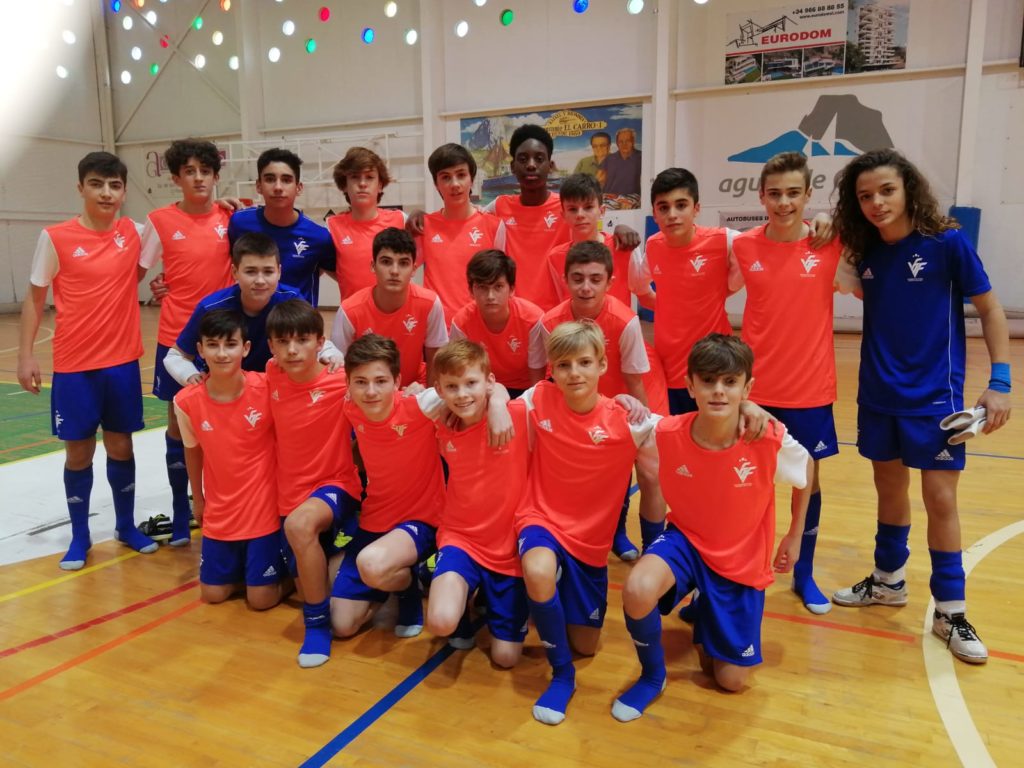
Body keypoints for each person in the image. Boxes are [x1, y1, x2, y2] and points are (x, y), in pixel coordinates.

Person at [829, 148, 1012, 664]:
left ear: (908, 188)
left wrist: (1000, 381)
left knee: (940, 499)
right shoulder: (863, 250)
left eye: (886, 190)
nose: (877, 202)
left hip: (937, 397)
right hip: (878, 394)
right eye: (865, 195)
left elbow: (991, 308)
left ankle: (950, 611)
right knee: (888, 487)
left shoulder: (947, 241)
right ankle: (888, 581)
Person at [612, 334, 812, 720]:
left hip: (742, 558)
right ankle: (653, 677)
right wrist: (623, 401)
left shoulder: (766, 436)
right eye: (707, 381)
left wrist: (794, 535)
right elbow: (608, 418)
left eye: (730, 382)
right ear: (690, 385)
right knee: (637, 589)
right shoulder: (667, 431)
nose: (718, 391)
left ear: (747, 388)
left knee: (731, 681)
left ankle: (706, 606)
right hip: (686, 541)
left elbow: (808, 470)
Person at [515, 321, 662, 726]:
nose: (574, 372)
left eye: (584, 362)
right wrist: (494, 401)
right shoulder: (537, 399)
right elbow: (492, 394)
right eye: (563, 364)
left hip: (590, 545)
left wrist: (654, 550)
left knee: (586, 645)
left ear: (601, 365)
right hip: (540, 518)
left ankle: (543, 600)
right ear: (551, 369)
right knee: (538, 568)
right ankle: (562, 675)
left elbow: (654, 482)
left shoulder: (630, 421)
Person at [17, 151, 158, 570]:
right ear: (81, 188)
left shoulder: (135, 232)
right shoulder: (55, 237)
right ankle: (80, 537)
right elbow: (35, 297)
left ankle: (126, 526)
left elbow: (181, 221)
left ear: (124, 190)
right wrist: (26, 355)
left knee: (120, 445)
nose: (106, 192)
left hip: (121, 364)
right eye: (97, 184)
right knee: (78, 453)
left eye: (115, 185)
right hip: (74, 366)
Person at [329, 334, 511, 640]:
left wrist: (500, 404)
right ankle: (403, 581)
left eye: (381, 381)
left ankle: (408, 591)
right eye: (360, 382)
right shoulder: (350, 406)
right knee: (342, 625)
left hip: (421, 520)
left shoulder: (423, 405)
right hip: (375, 519)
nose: (371, 391)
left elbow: (479, 386)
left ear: (398, 381)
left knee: (371, 565)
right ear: (348, 384)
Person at [731, 152, 844, 615]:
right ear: (761, 196)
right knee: (744, 483)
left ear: (808, 194)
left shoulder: (830, 244)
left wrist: (828, 220)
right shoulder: (742, 247)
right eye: (774, 193)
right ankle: (738, 571)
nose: (783, 202)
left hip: (810, 389)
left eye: (793, 193)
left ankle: (803, 573)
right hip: (755, 392)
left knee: (807, 484)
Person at [139, 138, 233, 546]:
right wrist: (156, 290)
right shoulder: (158, 221)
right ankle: (182, 512)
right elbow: (134, 274)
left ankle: (223, 505)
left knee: (226, 425)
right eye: (189, 171)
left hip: (225, 340)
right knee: (178, 428)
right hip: (176, 342)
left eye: (205, 171)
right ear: (176, 178)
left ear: (215, 176)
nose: (198, 178)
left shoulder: (233, 218)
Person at [542, 241, 657, 560]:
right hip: (571, 413)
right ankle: (578, 533)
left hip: (615, 410)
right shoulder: (549, 322)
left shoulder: (625, 321)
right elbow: (544, 381)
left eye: (595, 279)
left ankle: (626, 536)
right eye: (577, 278)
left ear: (611, 281)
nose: (586, 287)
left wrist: (643, 430)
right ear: (565, 280)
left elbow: (635, 379)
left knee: (631, 476)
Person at [265, 299, 362, 668]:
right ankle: (343, 557)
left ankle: (316, 626)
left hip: (335, 487)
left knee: (300, 525)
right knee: (309, 582)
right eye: (283, 341)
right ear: (271, 347)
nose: (293, 349)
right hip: (290, 495)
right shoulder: (272, 374)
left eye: (302, 340)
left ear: (320, 343)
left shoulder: (343, 381)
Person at [425, 340, 530, 667]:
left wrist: (499, 401)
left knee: (506, 659)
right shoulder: (440, 422)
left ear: (489, 381)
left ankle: (491, 592)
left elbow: (558, 397)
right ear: (440, 390)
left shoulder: (518, 415)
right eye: (452, 387)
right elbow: (400, 397)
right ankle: (459, 595)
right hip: (461, 538)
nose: (462, 394)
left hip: (508, 548)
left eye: (471, 383)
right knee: (441, 621)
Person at [174, 310, 284, 610]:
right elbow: (192, 452)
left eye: (230, 344)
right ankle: (247, 571)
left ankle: (287, 575)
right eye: (212, 345)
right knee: (213, 595)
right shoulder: (186, 402)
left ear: (245, 348)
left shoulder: (268, 388)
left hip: (265, 512)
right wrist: (198, 498)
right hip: (221, 514)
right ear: (200, 350)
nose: (222, 353)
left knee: (260, 601)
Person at [163, 233, 342, 385]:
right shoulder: (211, 307)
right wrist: (190, 376)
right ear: (235, 272)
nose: (260, 280)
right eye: (250, 272)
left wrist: (330, 354)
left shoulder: (291, 299)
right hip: (229, 389)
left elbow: (316, 341)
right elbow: (176, 355)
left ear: (279, 272)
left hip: (275, 386)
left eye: (268, 272)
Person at [331, 227, 448, 386]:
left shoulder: (430, 303)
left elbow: (436, 355)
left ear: (414, 269)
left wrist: (428, 393)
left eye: (403, 263)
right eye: (386, 262)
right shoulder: (349, 311)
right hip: (369, 393)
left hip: (413, 389)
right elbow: (338, 368)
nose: (394, 271)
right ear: (373, 266)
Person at [228, 148, 336, 306]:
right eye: (270, 179)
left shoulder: (319, 237)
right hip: (251, 324)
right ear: (258, 186)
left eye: (286, 180)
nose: (278, 187)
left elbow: (344, 277)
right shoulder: (239, 222)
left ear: (298, 187)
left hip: (298, 326)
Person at [418, 143, 506, 322]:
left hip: (479, 324)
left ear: (471, 179)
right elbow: (404, 271)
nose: (455, 184)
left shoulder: (493, 225)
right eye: (446, 177)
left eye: (461, 175)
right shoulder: (424, 226)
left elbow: (502, 281)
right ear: (436, 184)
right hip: (437, 328)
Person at [448, 249, 546, 398]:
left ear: (511, 289)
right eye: (482, 287)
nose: (490, 296)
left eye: (498, 287)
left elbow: (537, 381)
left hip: (525, 389)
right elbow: (462, 375)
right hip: (483, 388)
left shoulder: (533, 320)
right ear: (471, 291)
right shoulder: (461, 323)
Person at [328, 147, 407, 301]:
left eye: (369, 177)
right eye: (355, 177)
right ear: (344, 184)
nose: (362, 183)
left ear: (380, 185)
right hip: (354, 318)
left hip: (397, 316)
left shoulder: (402, 220)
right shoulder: (331, 227)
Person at [547, 173, 634, 307]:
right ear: (563, 214)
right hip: (577, 327)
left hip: (617, 326)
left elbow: (644, 292)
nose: (580, 215)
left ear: (602, 210)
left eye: (588, 207)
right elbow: (562, 302)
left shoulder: (623, 247)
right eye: (573, 209)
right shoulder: (555, 257)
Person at [600, 128, 642, 203]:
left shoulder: (641, 157)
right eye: (620, 142)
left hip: (633, 198)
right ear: (617, 143)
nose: (624, 144)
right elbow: (600, 180)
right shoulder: (609, 158)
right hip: (609, 197)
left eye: (627, 141)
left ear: (633, 141)